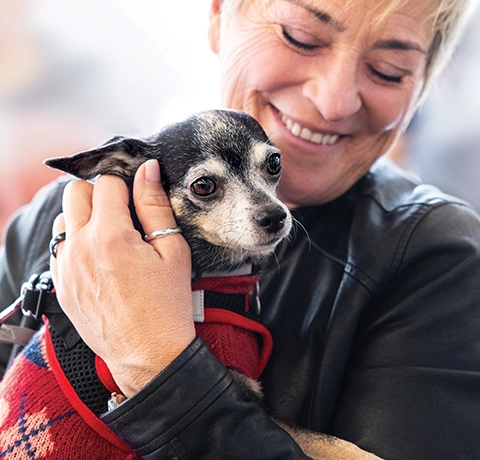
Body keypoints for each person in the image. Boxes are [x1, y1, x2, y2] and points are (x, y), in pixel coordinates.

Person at [1, 0, 480, 458]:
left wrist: (153, 359)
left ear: (423, 86)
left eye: (387, 71)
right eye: (301, 37)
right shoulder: (66, 220)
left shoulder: (439, 263)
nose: (332, 101)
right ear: (217, 13)